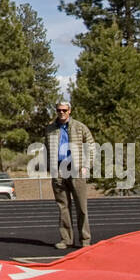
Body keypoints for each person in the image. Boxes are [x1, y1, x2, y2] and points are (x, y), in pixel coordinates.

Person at [43, 102, 97, 249]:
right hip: (59, 170)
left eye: (64, 110)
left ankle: (85, 240)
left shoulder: (79, 127)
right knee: (63, 207)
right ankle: (66, 239)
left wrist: (86, 165)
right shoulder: (50, 129)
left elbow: (92, 146)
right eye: (59, 110)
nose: (61, 113)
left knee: (81, 207)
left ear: (69, 111)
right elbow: (46, 148)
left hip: (76, 170)